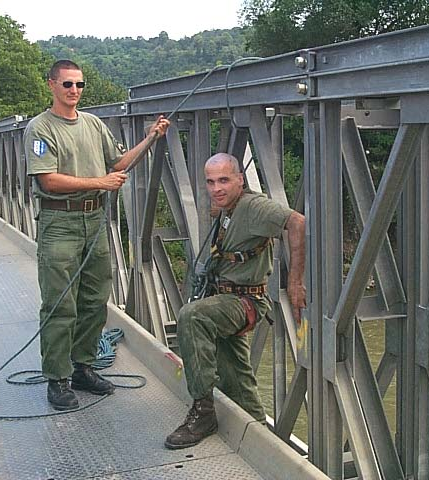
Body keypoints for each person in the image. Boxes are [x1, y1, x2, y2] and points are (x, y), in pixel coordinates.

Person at [23, 59, 170, 411]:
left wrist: (150, 137)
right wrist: (99, 182)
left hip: (94, 222)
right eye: (67, 84)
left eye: (79, 85)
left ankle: (82, 367)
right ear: (52, 85)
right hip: (60, 223)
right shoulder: (40, 129)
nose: (74, 91)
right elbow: (48, 179)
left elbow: (119, 163)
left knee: (94, 299)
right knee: (60, 302)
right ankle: (57, 378)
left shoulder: (93, 124)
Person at [164, 152, 306, 449]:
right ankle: (265, 445)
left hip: (244, 302)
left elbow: (297, 222)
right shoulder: (229, 207)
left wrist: (294, 282)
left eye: (225, 180)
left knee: (192, 316)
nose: (217, 188)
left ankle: (203, 413)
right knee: (237, 381)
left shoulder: (253, 206)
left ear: (241, 179)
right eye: (211, 182)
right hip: (225, 298)